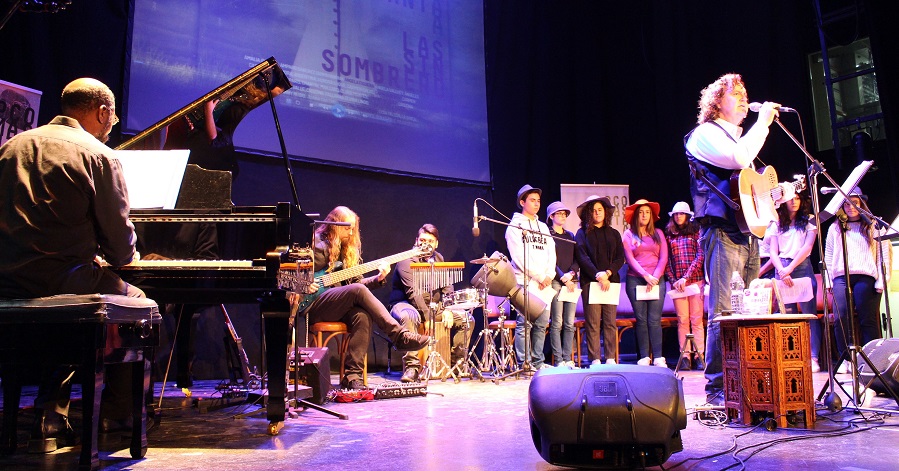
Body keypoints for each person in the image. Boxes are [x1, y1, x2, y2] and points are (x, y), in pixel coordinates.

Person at [0, 78, 145, 448]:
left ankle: (53, 415)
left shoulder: (12, 146)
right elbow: (120, 249)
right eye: (112, 118)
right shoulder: (99, 154)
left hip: (8, 282)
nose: (112, 126)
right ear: (102, 112)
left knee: (73, 307)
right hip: (64, 280)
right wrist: (120, 256)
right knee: (140, 303)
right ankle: (117, 417)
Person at [684, 73, 789, 403]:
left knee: (749, 311)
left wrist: (778, 194)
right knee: (724, 311)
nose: (745, 98)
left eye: (746, 92)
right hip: (722, 233)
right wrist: (764, 123)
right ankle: (717, 388)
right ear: (717, 103)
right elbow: (739, 160)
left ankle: (746, 382)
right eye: (736, 93)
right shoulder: (704, 134)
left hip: (747, 234)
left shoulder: (741, 140)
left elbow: (748, 191)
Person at [296, 206, 430, 390]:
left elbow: (357, 285)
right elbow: (292, 269)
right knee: (357, 292)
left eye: (353, 229)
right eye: (346, 228)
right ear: (334, 225)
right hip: (313, 303)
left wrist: (378, 278)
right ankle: (398, 336)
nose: (351, 233)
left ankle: (353, 377)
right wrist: (304, 283)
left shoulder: (347, 251)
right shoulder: (315, 244)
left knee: (362, 316)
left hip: (337, 304)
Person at [389, 224, 471, 382]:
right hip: (406, 304)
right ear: (416, 240)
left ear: (436, 244)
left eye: (430, 241)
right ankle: (412, 368)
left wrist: (448, 308)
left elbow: (447, 286)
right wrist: (427, 318)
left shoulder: (438, 258)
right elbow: (414, 293)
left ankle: (456, 364)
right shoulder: (406, 260)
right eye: (422, 240)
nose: (426, 244)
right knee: (409, 316)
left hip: (433, 306)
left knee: (467, 319)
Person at [824, 187, 892, 372]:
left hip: (866, 276)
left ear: (861, 203)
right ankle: (845, 359)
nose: (850, 207)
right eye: (846, 203)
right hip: (840, 277)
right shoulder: (835, 227)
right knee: (840, 317)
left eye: (854, 202)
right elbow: (829, 255)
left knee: (867, 319)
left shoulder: (873, 226)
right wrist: (829, 281)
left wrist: (882, 280)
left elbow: (883, 254)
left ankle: (872, 360)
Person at [765, 190, 821, 372]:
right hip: (782, 267)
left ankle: (813, 357)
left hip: (802, 266)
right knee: (786, 316)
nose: (794, 202)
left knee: (808, 315)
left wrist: (790, 268)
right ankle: (791, 354)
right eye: (790, 199)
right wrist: (782, 269)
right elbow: (773, 250)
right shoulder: (776, 222)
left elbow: (808, 246)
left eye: (797, 198)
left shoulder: (810, 219)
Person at [506, 185, 555, 370]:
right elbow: (518, 257)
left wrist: (549, 275)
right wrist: (539, 276)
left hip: (544, 283)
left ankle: (538, 362)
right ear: (522, 202)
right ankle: (523, 363)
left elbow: (552, 252)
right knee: (524, 324)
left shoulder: (542, 226)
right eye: (532, 200)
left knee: (542, 324)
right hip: (525, 281)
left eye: (538, 201)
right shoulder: (514, 226)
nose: (536, 204)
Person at [574, 195, 625, 365]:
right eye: (594, 210)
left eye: (600, 210)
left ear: (605, 212)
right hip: (591, 282)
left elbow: (620, 258)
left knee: (610, 322)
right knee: (593, 322)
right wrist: (598, 275)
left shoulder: (614, 233)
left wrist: (608, 273)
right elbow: (582, 257)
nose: (597, 213)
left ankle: (610, 357)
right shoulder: (581, 234)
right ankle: (594, 358)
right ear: (589, 213)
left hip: (611, 282)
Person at [622, 199, 669, 367]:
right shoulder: (628, 235)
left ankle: (658, 357)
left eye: (647, 212)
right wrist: (645, 276)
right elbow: (629, 258)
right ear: (636, 215)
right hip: (636, 279)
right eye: (641, 212)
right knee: (641, 319)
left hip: (657, 280)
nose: (644, 215)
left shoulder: (658, 233)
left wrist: (654, 277)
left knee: (654, 319)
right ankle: (643, 356)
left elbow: (663, 257)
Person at [664, 202, 706, 371]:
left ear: (688, 216)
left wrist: (686, 277)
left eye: (682, 214)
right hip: (678, 285)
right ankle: (685, 356)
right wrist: (674, 279)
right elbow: (667, 261)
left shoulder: (696, 233)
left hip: (695, 280)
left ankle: (699, 355)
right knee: (682, 320)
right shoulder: (669, 236)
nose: (679, 217)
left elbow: (700, 256)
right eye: (676, 214)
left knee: (696, 319)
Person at [546, 201, 578, 367]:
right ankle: (558, 360)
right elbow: (550, 261)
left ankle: (568, 358)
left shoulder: (571, 235)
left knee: (569, 323)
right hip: (557, 281)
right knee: (557, 322)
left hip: (571, 282)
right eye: (559, 213)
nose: (563, 216)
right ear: (551, 216)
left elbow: (576, 258)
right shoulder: (548, 235)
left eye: (565, 214)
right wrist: (563, 276)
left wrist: (571, 274)